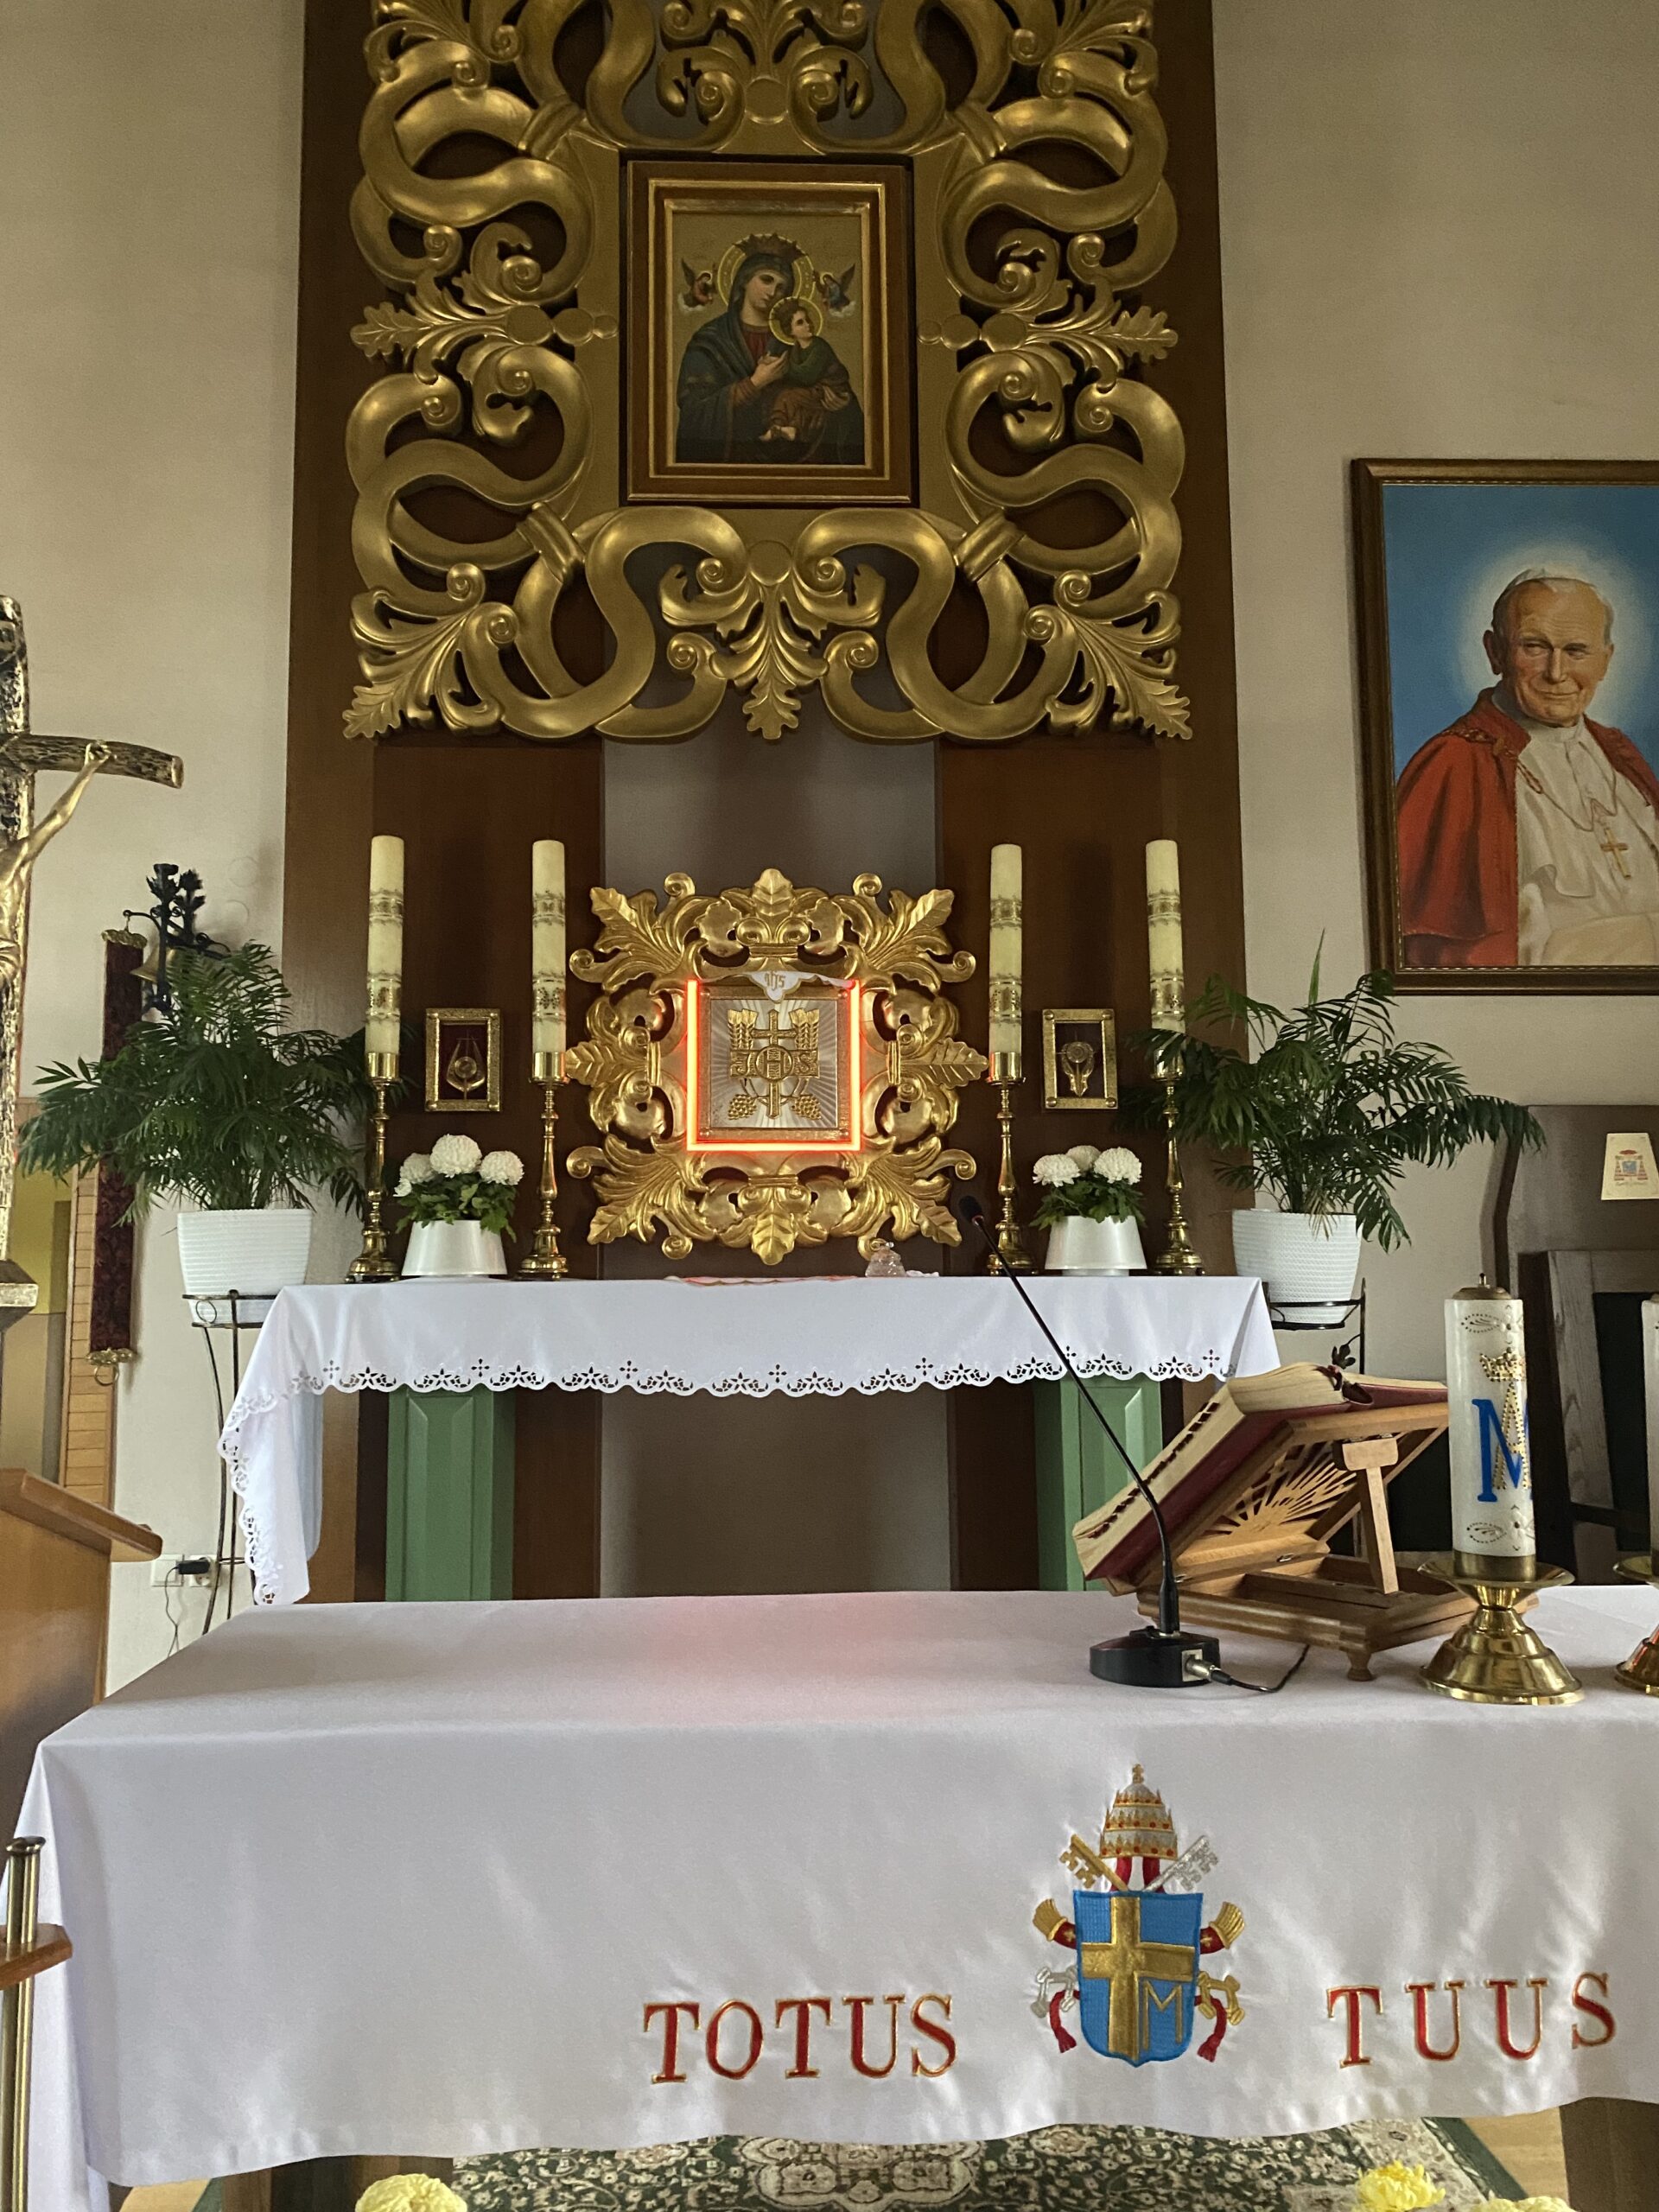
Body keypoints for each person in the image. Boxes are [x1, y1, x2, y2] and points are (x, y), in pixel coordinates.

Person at [1395, 570, 1659, 966]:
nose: (1556, 673)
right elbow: (1459, 959)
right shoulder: (1452, 765)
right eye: (1535, 647)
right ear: (1495, 652)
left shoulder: (1620, 756)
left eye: (1576, 651)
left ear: (1605, 661)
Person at [675, 245, 862, 467]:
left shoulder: (798, 341)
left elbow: (841, 399)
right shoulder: (711, 341)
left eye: (781, 287)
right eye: (766, 280)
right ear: (744, 280)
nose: (773, 292)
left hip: (794, 466)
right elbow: (694, 413)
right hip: (730, 466)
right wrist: (754, 383)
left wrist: (839, 404)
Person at [757, 301, 861, 463]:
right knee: (785, 398)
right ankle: (779, 427)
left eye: (807, 320)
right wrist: (771, 364)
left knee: (788, 397)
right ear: (790, 331)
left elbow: (807, 376)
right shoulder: (795, 350)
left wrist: (781, 367)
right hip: (814, 392)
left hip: (831, 390)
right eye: (800, 323)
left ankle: (785, 428)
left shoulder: (819, 347)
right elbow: (794, 376)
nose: (808, 325)